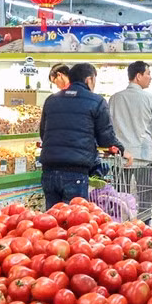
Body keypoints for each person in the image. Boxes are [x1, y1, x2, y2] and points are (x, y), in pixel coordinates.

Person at [39, 63, 130, 209]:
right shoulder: (96, 101)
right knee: (75, 220)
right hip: (75, 172)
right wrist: (122, 150)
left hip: (48, 170)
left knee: (52, 221)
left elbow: (43, 133)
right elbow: (106, 138)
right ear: (89, 80)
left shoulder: (51, 100)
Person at [108, 61, 152, 222]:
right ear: (138, 76)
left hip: (120, 157)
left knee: (119, 196)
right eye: (148, 73)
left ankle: (118, 226)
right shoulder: (151, 99)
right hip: (143, 156)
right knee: (144, 196)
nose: (150, 77)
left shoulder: (114, 99)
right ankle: (144, 228)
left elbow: (108, 128)